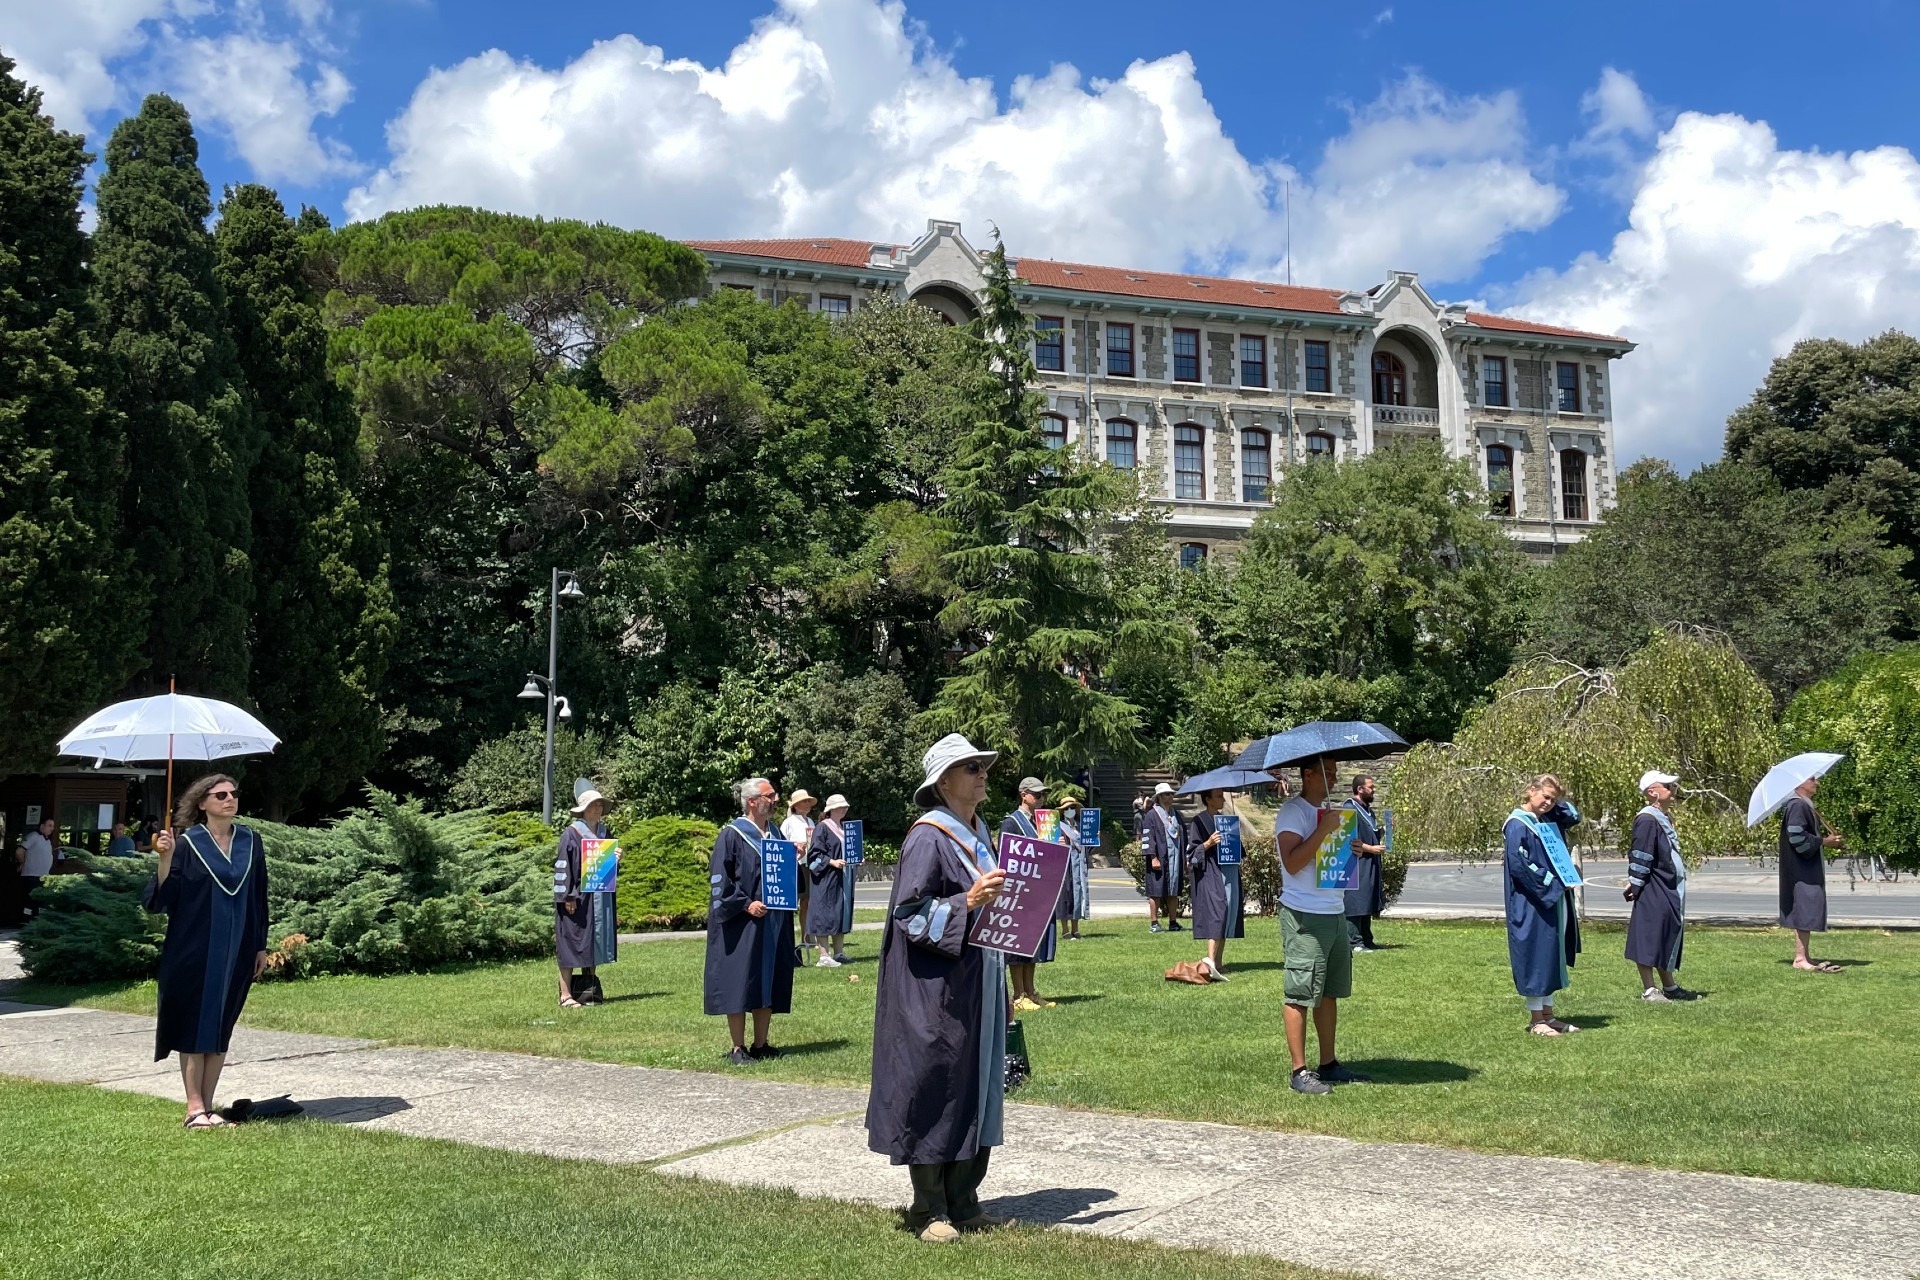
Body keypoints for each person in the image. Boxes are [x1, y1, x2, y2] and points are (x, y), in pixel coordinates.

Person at [867, 733, 1013, 1244]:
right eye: (970, 768)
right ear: (944, 781)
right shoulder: (926, 838)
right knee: (934, 1081)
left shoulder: (982, 830)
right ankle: (928, 1208)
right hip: (932, 985)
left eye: (982, 766)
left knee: (975, 1082)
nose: (982, 774)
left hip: (977, 976)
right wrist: (965, 903)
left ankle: (965, 1200)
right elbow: (907, 915)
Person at [142, 775, 269, 1128]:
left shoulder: (250, 841)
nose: (230, 799)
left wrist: (260, 943)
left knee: (221, 1023)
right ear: (202, 803)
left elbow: (259, 896)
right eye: (221, 795)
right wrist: (164, 859)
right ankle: (193, 1107)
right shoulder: (186, 844)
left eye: (233, 794)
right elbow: (161, 901)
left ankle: (209, 1106)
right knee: (195, 1025)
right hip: (193, 948)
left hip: (239, 949)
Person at [1273, 756, 1369, 1094]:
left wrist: (1351, 850)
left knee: (1329, 993)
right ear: (1308, 775)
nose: (1334, 777)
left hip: (1334, 911)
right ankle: (1299, 1071)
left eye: (1335, 772)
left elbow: (1328, 861)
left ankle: (1328, 1064)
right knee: (1300, 992)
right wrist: (1324, 830)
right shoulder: (1293, 812)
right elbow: (1294, 861)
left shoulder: (1332, 813)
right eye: (1327, 773)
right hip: (1304, 913)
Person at [704, 777, 797, 1063]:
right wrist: (746, 904)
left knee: (767, 979)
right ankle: (737, 1047)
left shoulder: (776, 834)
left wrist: (793, 856)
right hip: (741, 923)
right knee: (740, 980)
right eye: (770, 796)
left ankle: (761, 1043)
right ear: (753, 801)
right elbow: (719, 880)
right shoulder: (731, 835)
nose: (775, 801)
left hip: (773, 922)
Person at [1504, 775, 1584, 1036]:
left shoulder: (1546, 820)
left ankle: (1549, 1016)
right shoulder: (1517, 824)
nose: (1549, 803)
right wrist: (1554, 883)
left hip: (1552, 899)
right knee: (1537, 954)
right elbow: (1521, 865)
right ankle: (1536, 1019)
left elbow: (1573, 816)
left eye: (1553, 799)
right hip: (1532, 901)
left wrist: (1555, 800)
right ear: (1531, 791)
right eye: (1544, 796)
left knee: (1552, 952)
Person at [1625, 770, 1693, 1001]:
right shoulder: (1646, 819)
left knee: (1665, 932)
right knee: (1648, 936)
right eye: (1668, 786)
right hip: (1653, 887)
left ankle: (1670, 987)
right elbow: (1641, 854)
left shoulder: (1662, 817)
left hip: (1667, 886)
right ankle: (1649, 989)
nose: (1673, 791)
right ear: (1653, 792)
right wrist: (1635, 884)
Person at [553, 785, 616, 1007]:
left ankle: (588, 990)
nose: (597, 808)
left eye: (600, 804)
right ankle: (566, 995)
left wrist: (616, 857)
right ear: (583, 809)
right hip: (576, 898)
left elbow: (606, 868)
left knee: (590, 943)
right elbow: (563, 867)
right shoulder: (571, 833)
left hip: (597, 899)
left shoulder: (603, 832)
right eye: (593, 805)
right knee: (570, 945)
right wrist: (567, 897)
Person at [1000, 776, 1055, 1011]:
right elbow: (1006, 855)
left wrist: (1057, 844)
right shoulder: (1011, 823)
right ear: (1024, 795)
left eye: (1043, 794)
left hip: (1039, 891)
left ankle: (1031, 992)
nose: (1041, 798)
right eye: (1037, 794)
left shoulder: (1042, 822)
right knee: (1017, 945)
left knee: (1033, 944)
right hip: (1019, 891)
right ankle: (1018, 994)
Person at [1779, 774, 1843, 973]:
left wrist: (1827, 841)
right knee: (1805, 908)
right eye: (1812, 779)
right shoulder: (1798, 806)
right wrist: (1825, 841)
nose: (1817, 783)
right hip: (1800, 870)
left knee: (1808, 908)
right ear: (1799, 783)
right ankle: (1800, 958)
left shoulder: (1804, 805)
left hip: (1804, 868)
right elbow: (1796, 837)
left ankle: (1804, 955)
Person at [1186, 787, 1242, 979]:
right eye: (1219, 797)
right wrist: (1208, 843)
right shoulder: (1199, 821)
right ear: (1208, 799)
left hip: (1228, 871)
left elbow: (1238, 850)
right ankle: (1210, 962)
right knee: (1217, 913)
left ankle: (1218, 960)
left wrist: (1234, 834)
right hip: (1210, 872)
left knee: (1227, 912)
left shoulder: (1226, 821)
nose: (1223, 800)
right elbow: (1192, 853)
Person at [806, 795, 854, 967]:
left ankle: (839, 952)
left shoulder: (844, 828)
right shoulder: (822, 828)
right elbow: (814, 855)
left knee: (840, 912)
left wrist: (856, 859)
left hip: (842, 879)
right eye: (840, 806)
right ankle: (824, 955)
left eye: (845, 806)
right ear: (831, 809)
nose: (844, 809)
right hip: (826, 878)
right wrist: (831, 862)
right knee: (824, 913)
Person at [1344, 776, 1387, 953]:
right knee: (1356, 900)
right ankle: (1354, 941)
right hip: (1355, 863)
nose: (1374, 790)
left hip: (1370, 862)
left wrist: (1385, 830)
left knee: (1367, 900)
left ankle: (1367, 939)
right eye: (1371, 787)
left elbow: (1371, 834)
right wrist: (1371, 849)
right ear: (1360, 789)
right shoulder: (1349, 808)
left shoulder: (1368, 810)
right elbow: (1347, 839)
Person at [1142, 782, 1184, 933]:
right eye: (1167, 794)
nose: (1171, 796)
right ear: (1159, 797)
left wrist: (1184, 858)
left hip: (1175, 858)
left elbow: (1183, 835)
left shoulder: (1175, 814)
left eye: (1172, 794)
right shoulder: (1151, 815)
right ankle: (1154, 923)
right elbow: (1148, 837)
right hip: (1159, 858)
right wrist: (1153, 857)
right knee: (1156, 890)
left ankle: (1173, 922)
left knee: (1174, 890)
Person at [783, 789, 818, 955]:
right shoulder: (789, 822)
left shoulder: (811, 821)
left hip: (810, 864)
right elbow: (782, 843)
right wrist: (796, 845)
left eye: (808, 802)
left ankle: (807, 936)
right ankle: (793, 937)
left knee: (808, 902)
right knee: (796, 901)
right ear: (796, 805)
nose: (807, 804)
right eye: (804, 801)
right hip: (796, 864)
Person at [1055, 793, 1092, 940]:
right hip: (1065, 867)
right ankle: (1065, 930)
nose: (1070, 810)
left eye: (1072, 807)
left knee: (1078, 896)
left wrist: (1094, 838)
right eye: (1067, 808)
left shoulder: (1080, 827)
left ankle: (1076, 929)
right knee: (1066, 897)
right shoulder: (1058, 826)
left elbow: (1087, 849)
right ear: (1062, 811)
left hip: (1079, 867)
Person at [15, 816, 57, 921]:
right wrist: (22, 863)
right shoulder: (34, 836)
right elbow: (20, 851)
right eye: (49, 825)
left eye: (53, 826)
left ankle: (39, 922)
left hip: (43, 876)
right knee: (30, 900)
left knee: (41, 900)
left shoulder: (47, 840)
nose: (52, 828)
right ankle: (26, 922)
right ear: (42, 826)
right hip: (31, 875)